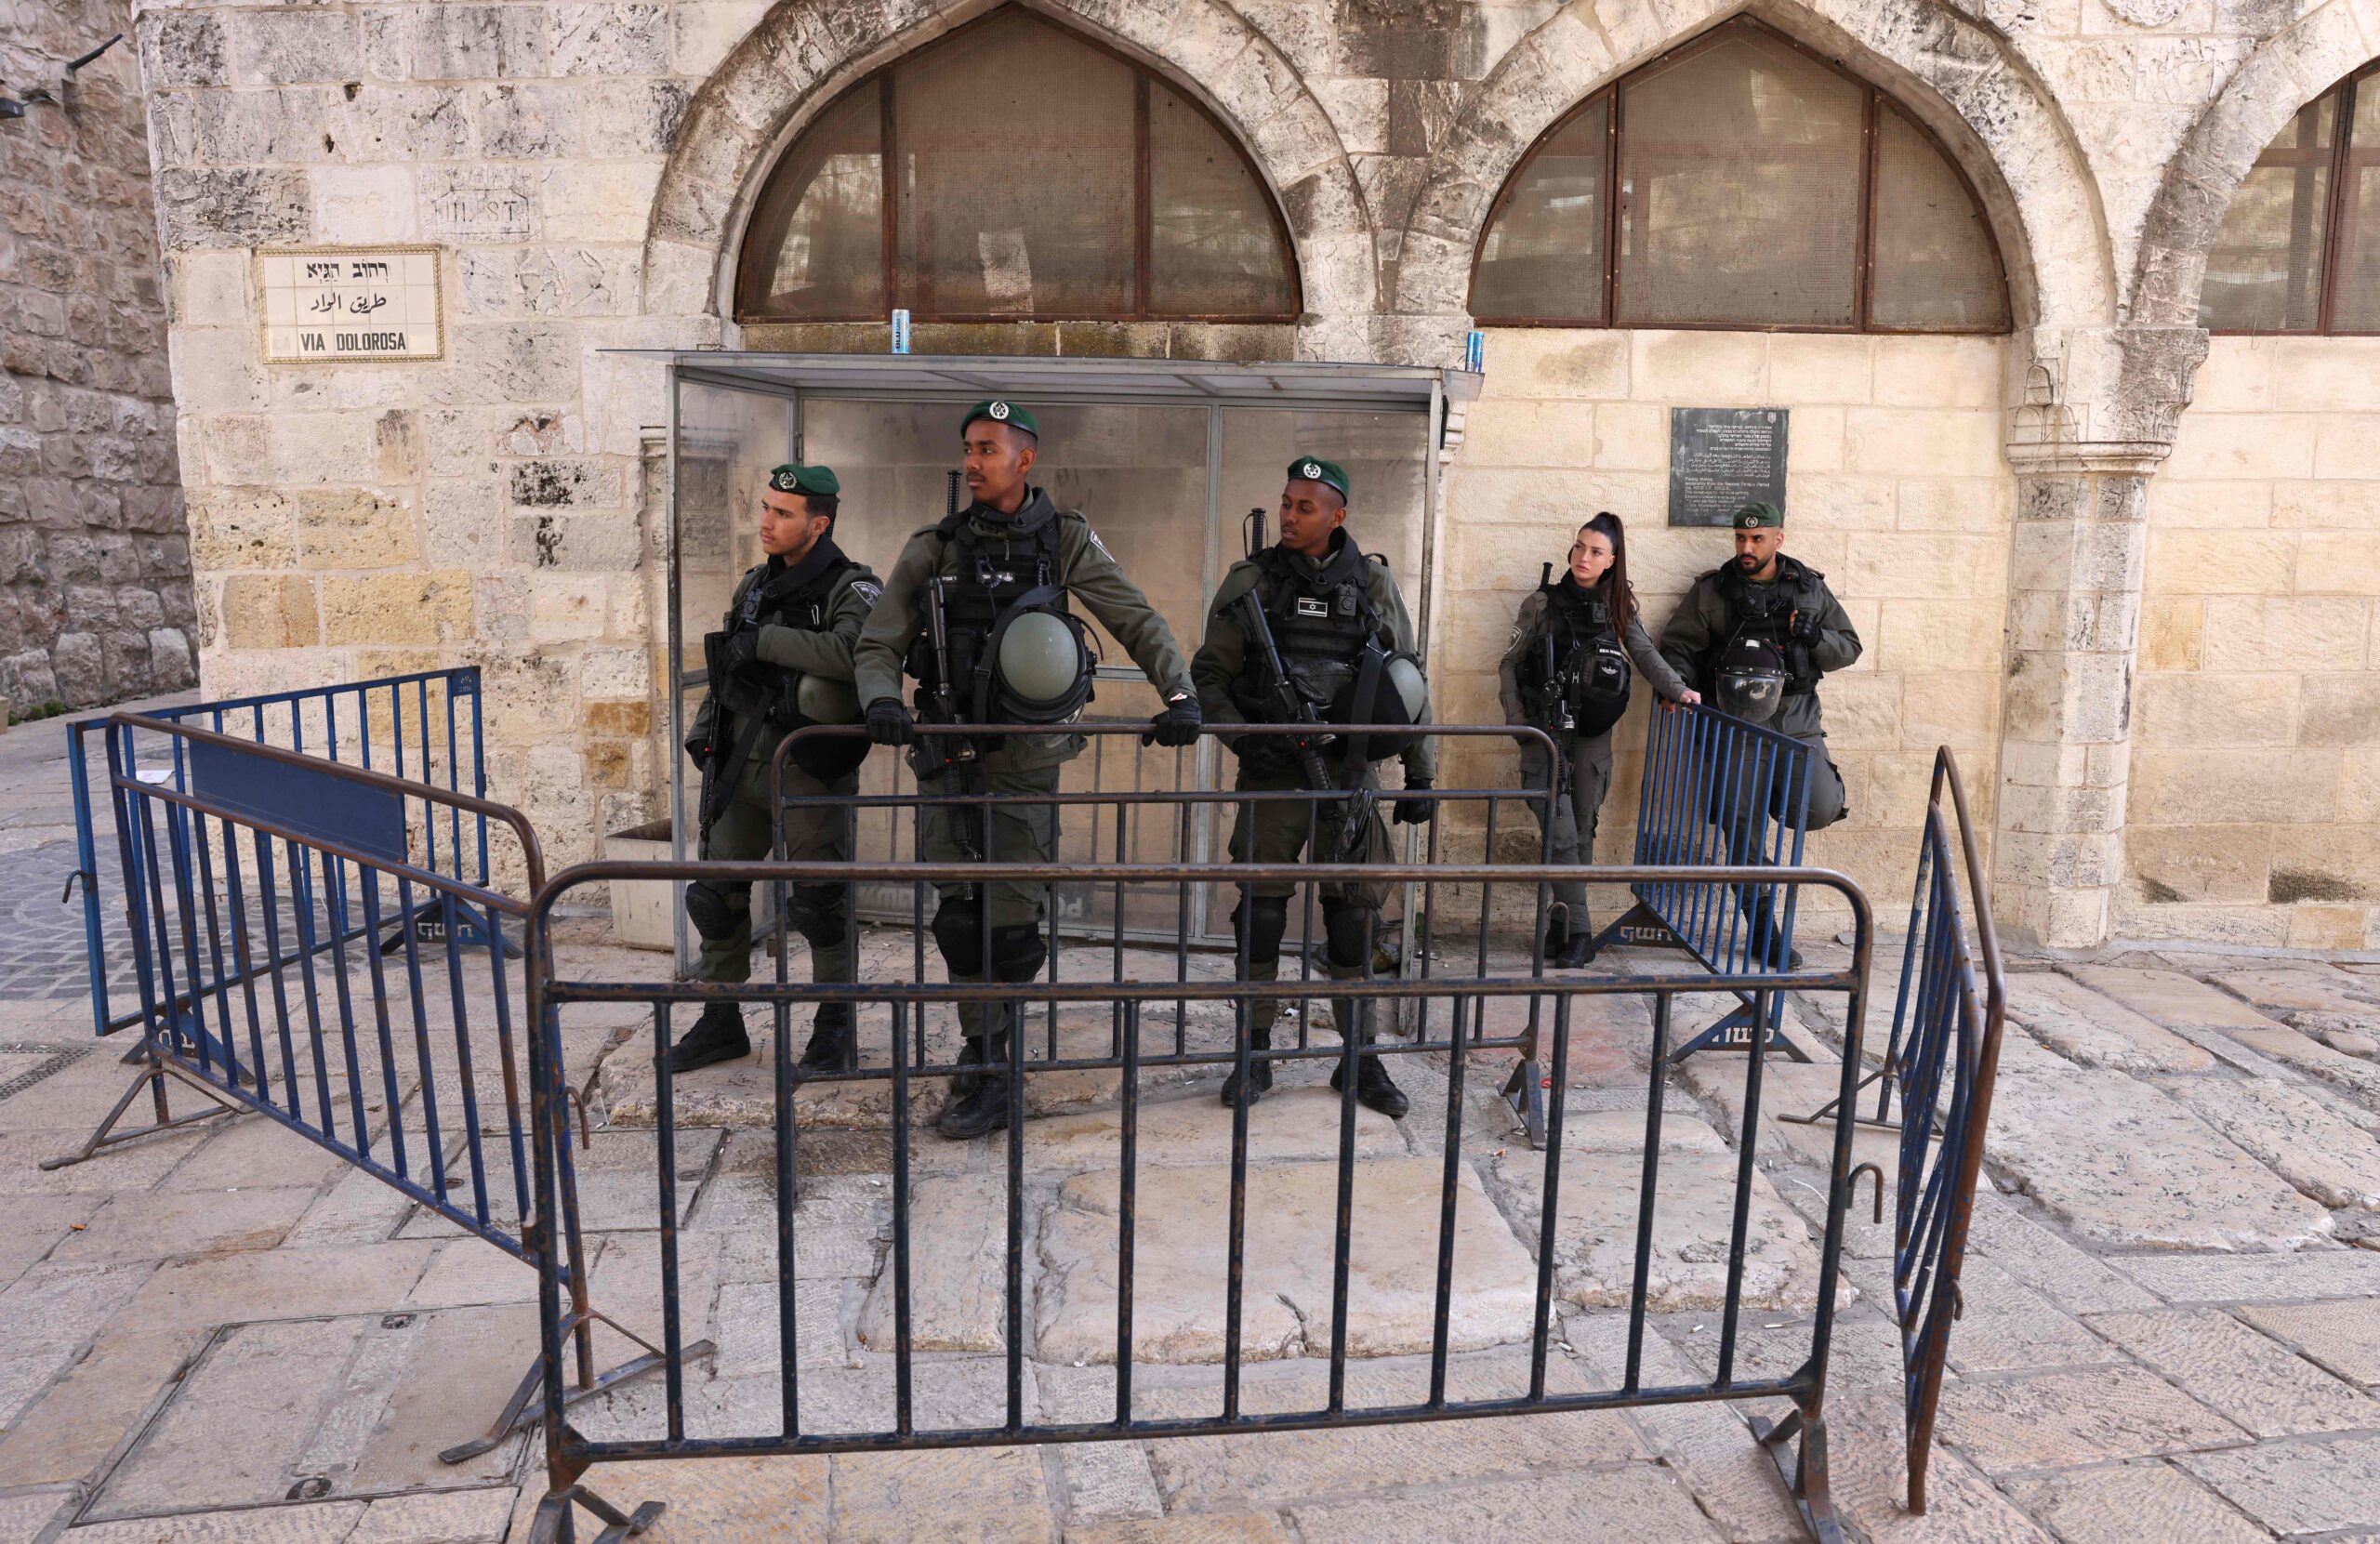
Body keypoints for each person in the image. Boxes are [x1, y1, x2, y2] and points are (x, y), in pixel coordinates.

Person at [853, 400, 1201, 1141]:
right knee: (957, 918)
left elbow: (1134, 617)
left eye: (987, 449)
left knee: (1009, 922)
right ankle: (981, 1052)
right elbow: (878, 643)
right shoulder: (936, 547)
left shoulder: (1063, 540)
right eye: (969, 449)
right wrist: (882, 700)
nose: (973, 461)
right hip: (947, 758)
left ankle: (998, 1065)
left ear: (1025, 460)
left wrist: (1179, 692)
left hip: (1023, 766)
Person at [1192, 458, 1434, 1118]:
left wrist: (1422, 772)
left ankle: (1360, 1059)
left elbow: (1409, 681)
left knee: (1354, 919)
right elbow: (1209, 676)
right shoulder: (1252, 583)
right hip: (1273, 774)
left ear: (1338, 515)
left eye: (1305, 506)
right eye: (1286, 503)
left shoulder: (1374, 582)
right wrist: (1246, 738)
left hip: (1349, 777)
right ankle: (1254, 1050)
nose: (1290, 516)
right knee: (1260, 916)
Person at [669, 464, 880, 1075]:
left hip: (811, 768)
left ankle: (833, 1024)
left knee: (819, 902)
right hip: (741, 763)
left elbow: (852, 651)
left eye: (783, 513)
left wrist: (765, 643)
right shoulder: (754, 587)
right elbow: (726, 670)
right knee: (715, 894)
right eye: (765, 507)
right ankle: (721, 1016)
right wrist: (705, 734)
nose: (766, 521)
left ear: (819, 523)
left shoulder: (852, 587)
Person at [1657, 501, 1859, 968]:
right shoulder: (1713, 590)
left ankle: (1768, 794)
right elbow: (1679, 645)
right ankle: (1764, 925)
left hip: (1795, 721)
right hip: (1736, 725)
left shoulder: (1809, 589)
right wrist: (1680, 684)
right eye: (1741, 540)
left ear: (1778, 539)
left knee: (1819, 807)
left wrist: (1814, 638)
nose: (1747, 548)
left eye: (1758, 539)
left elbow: (1848, 648)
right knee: (1741, 825)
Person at [1499, 511, 1699, 968]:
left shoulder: (1617, 606)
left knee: (1582, 829)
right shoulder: (1541, 604)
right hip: (1544, 734)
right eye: (1578, 547)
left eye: (1595, 552)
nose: (1582, 558)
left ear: (1611, 560)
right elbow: (1509, 663)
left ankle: (1560, 925)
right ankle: (1582, 935)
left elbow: (1644, 651)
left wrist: (1676, 688)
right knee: (1562, 833)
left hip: (1591, 737)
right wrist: (1519, 727)